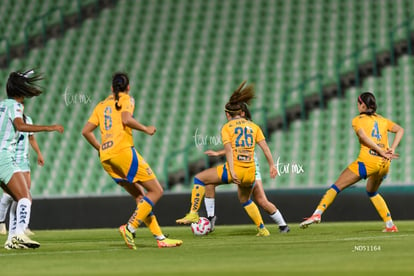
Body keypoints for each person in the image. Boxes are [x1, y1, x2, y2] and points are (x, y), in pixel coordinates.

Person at [82, 72, 183, 250]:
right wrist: (146, 129)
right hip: (123, 151)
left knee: (140, 196)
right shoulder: (127, 99)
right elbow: (126, 119)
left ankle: (160, 238)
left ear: (112, 88)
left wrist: (100, 148)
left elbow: (86, 131)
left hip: (106, 158)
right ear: (127, 87)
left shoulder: (101, 105)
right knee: (156, 190)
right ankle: (130, 227)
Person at [176, 81, 278, 236]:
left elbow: (230, 150)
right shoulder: (254, 126)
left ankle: (193, 213)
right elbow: (265, 147)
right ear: (241, 112)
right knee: (245, 200)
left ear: (227, 114)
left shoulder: (227, 128)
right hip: (250, 172)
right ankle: (262, 229)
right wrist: (272, 165)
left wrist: (231, 170)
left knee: (199, 179)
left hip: (235, 169)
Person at [300, 92, 404, 232]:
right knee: (372, 192)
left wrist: (379, 151)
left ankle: (317, 214)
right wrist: (391, 148)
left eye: (358, 104)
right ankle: (390, 225)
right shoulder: (382, 120)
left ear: (362, 104)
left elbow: (363, 136)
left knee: (336, 187)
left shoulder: (358, 120)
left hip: (368, 161)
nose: (357, 106)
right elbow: (400, 130)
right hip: (385, 163)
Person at [0, 69, 64, 249]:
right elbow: (20, 126)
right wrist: (48, 127)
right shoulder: (15, 106)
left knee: (16, 197)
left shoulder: (2, 105)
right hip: (4, 156)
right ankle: (19, 234)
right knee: (26, 197)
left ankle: (12, 238)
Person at [203, 149, 290, 233]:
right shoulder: (242, 137)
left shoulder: (241, 137)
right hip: (241, 167)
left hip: (248, 168)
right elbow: (233, 148)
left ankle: (279, 226)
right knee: (209, 183)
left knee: (260, 200)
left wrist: (218, 153)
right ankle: (282, 226)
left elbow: (234, 148)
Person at [0, 112, 44, 239]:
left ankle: (19, 227)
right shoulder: (7, 119)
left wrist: (39, 153)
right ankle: (5, 224)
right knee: (12, 195)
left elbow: (31, 138)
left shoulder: (28, 119)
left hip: (23, 160)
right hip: (10, 159)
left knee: (23, 194)